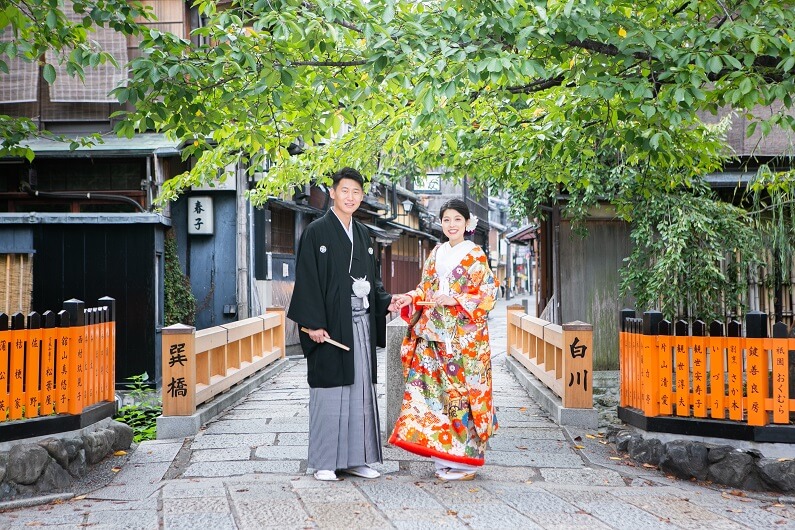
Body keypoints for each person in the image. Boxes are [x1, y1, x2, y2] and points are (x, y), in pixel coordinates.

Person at [287, 167, 400, 481]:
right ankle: (325, 461)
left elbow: (373, 281)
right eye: (345, 190)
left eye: (356, 192)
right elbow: (307, 279)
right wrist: (311, 323)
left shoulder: (363, 234)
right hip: (329, 326)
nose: (351, 197)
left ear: (361, 197)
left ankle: (357, 458)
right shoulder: (316, 231)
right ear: (333, 192)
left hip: (360, 323)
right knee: (330, 391)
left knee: (361, 390)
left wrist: (386, 300)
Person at [389, 198, 498, 481]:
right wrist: (409, 298)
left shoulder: (475, 254)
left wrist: (456, 298)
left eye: (457, 220)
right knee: (434, 396)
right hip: (434, 337)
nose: (451, 225)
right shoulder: (436, 252)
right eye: (447, 220)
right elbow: (424, 289)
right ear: (441, 223)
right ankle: (444, 455)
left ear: (467, 224)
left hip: (463, 342)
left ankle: (467, 462)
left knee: (461, 398)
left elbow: (488, 295)